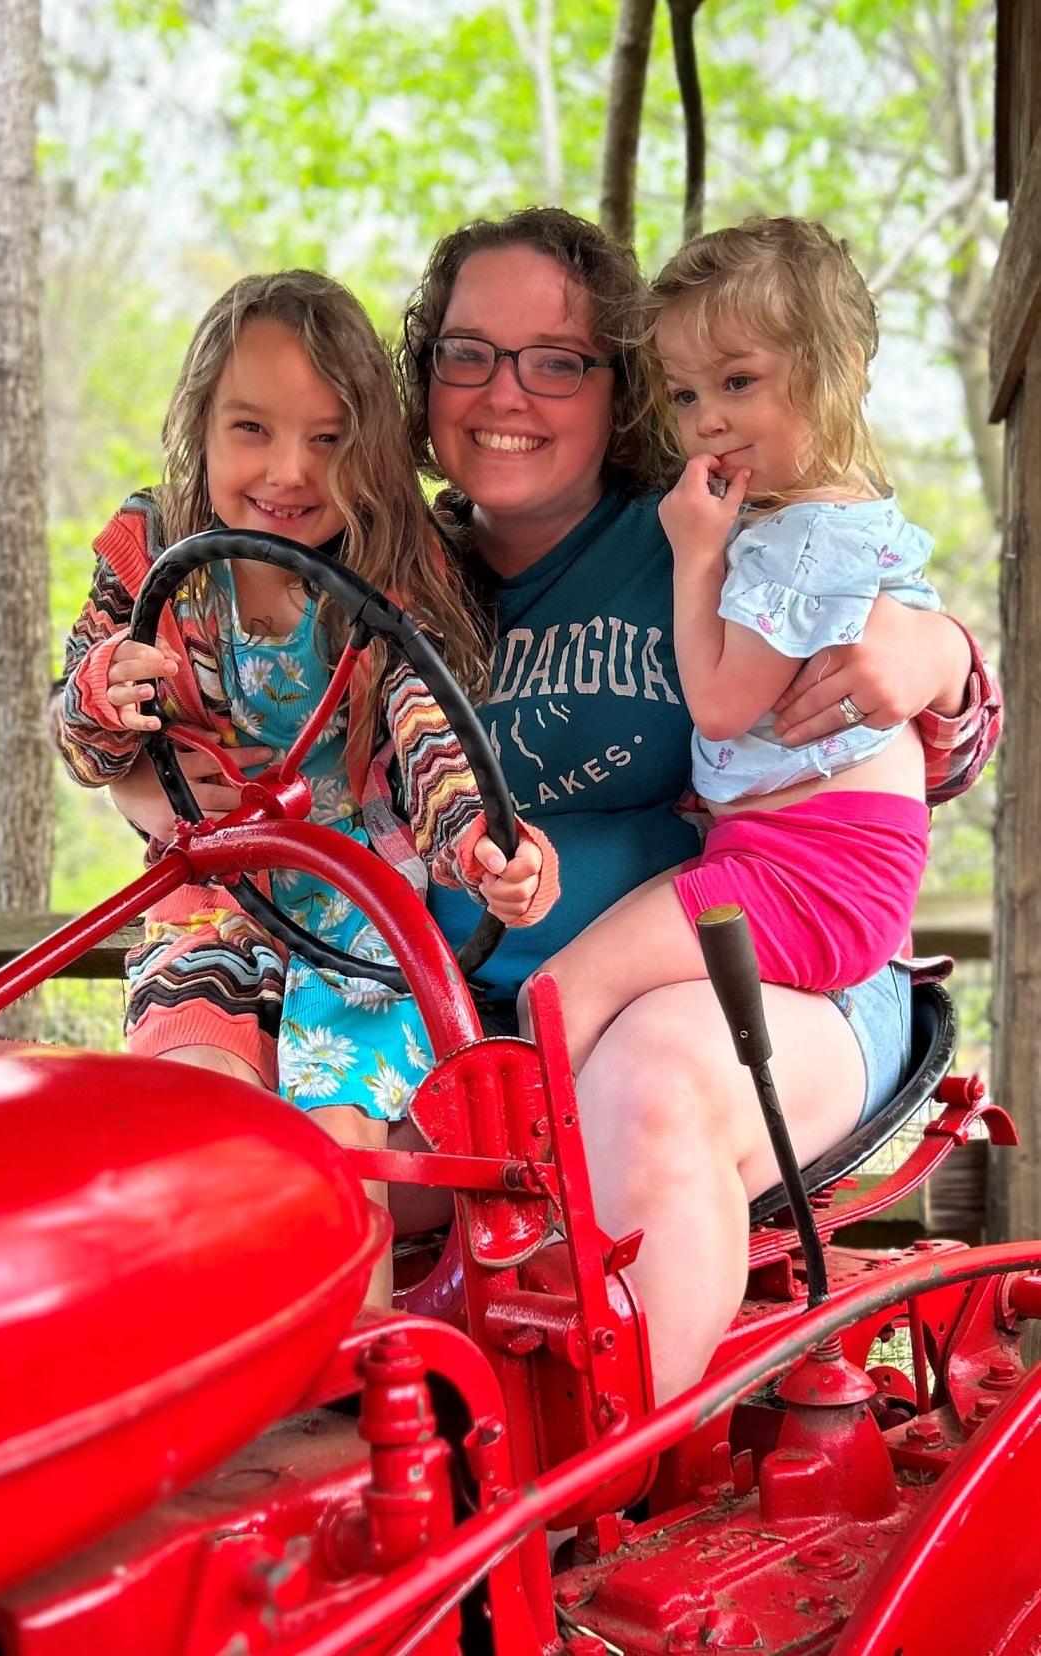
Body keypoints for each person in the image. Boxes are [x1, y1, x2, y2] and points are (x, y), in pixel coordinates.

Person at [395, 206, 999, 1399]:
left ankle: (597, 1469)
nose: (507, 393)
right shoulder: (392, 571)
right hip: (472, 1015)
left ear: (612, 385)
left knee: (650, 1082)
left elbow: (934, 738)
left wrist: (941, 658)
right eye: (468, 352)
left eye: (555, 361)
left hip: (769, 964)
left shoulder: (711, 528)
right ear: (425, 379)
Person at [52, 270, 556, 1303]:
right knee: (200, 1116)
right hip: (210, 893)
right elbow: (81, 740)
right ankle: (217, 1377)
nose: (289, 471)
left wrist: (476, 843)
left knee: (339, 1150)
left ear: (368, 447)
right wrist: (101, 704)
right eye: (252, 429)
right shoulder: (151, 554)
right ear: (199, 424)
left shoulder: (386, 566)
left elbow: (428, 738)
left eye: (328, 440)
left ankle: (352, 1396)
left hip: (355, 905)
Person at [539, 217, 939, 1076]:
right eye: (686, 396)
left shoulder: (801, 544)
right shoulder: (818, 526)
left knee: (568, 993)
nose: (709, 419)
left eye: (739, 381)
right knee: (585, 991)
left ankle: (522, 1189)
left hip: (812, 866)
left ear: (832, 373)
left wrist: (695, 554)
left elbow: (722, 707)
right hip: (796, 857)